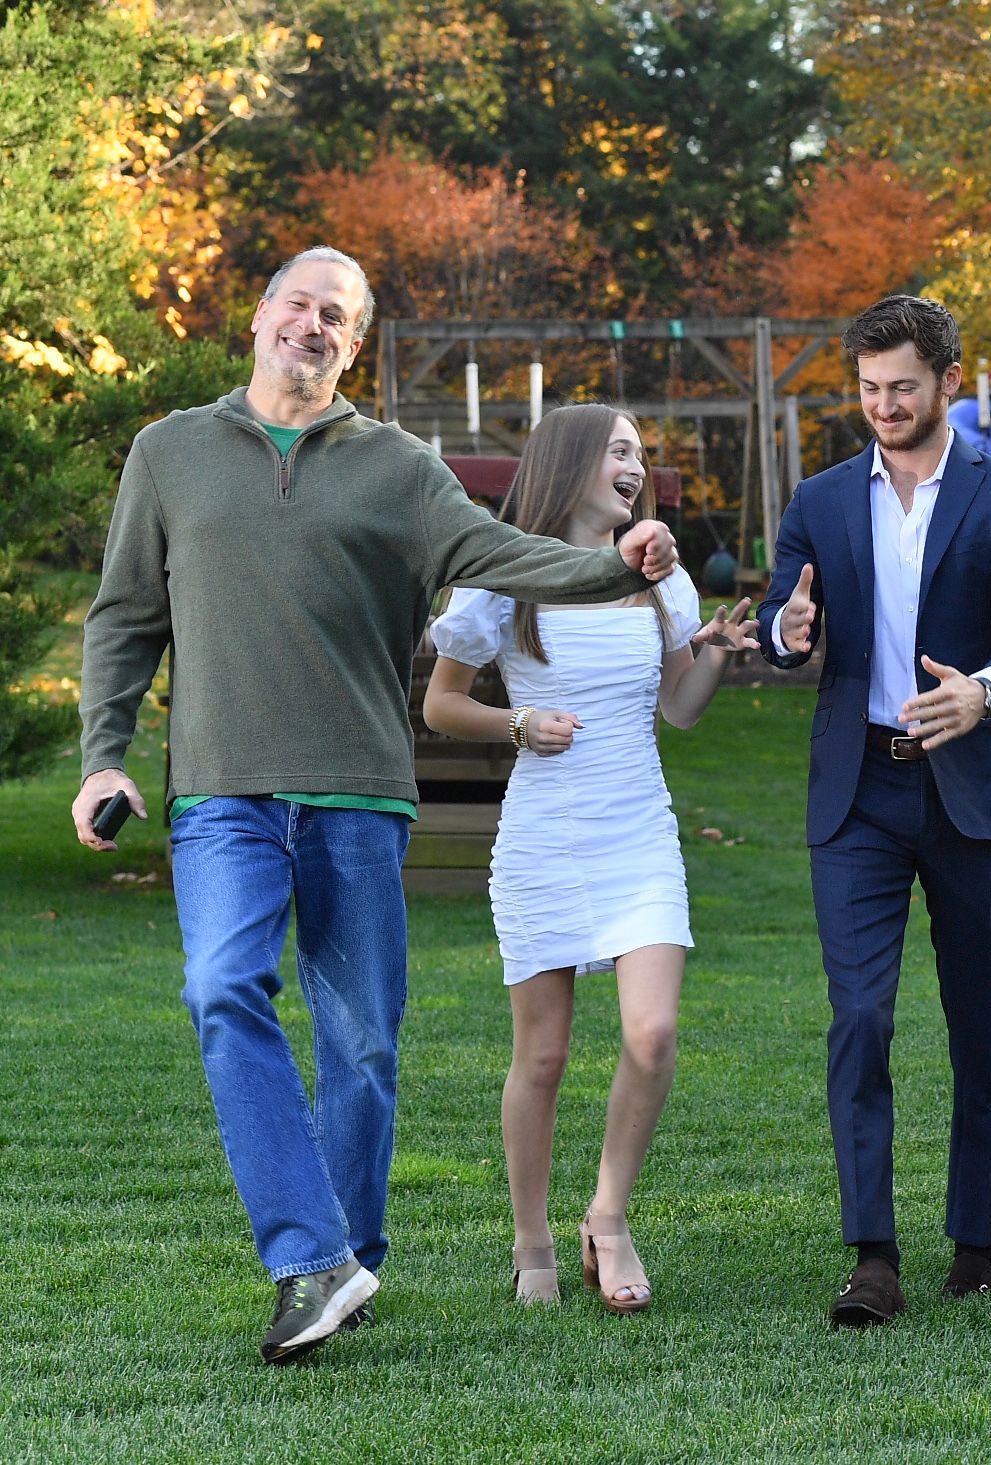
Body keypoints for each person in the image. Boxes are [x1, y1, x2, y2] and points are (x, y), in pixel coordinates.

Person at [71, 247, 678, 1364]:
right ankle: (314, 1256)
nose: (310, 326)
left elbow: (499, 551)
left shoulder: (398, 467)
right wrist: (102, 756)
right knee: (220, 990)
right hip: (221, 790)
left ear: (354, 346)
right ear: (260, 317)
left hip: (356, 793)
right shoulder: (170, 454)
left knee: (361, 1043)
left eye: (335, 318)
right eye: (297, 304)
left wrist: (619, 570)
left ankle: (346, 1263)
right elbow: (122, 620)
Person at [758, 295, 991, 1327]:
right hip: (862, 790)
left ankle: (977, 1244)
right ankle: (872, 1255)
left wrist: (988, 688)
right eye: (869, 389)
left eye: (902, 387)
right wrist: (789, 629)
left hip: (971, 781)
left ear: (946, 384)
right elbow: (778, 614)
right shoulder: (823, 498)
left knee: (983, 1025)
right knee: (861, 1016)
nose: (883, 405)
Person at [422, 404, 759, 1312]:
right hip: (544, 834)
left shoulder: (662, 580)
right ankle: (532, 1239)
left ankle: (606, 1217)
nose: (634, 467)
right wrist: (519, 722)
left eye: (640, 456)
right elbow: (441, 705)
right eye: (618, 450)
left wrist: (718, 652)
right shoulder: (501, 574)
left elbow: (678, 710)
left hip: (638, 828)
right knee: (543, 1055)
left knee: (650, 1037)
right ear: (569, 461)